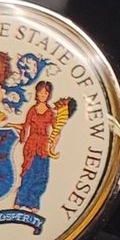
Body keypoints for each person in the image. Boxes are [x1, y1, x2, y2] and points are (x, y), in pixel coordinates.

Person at [15, 81, 74, 210]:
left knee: (41, 174)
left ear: (48, 95)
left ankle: (33, 202)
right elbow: (25, 126)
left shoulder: (50, 112)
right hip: (31, 144)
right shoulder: (32, 110)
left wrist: (52, 147)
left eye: (45, 93)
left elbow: (56, 131)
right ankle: (20, 200)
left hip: (43, 145)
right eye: (40, 92)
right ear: (36, 93)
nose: (42, 95)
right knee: (28, 172)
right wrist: (14, 128)